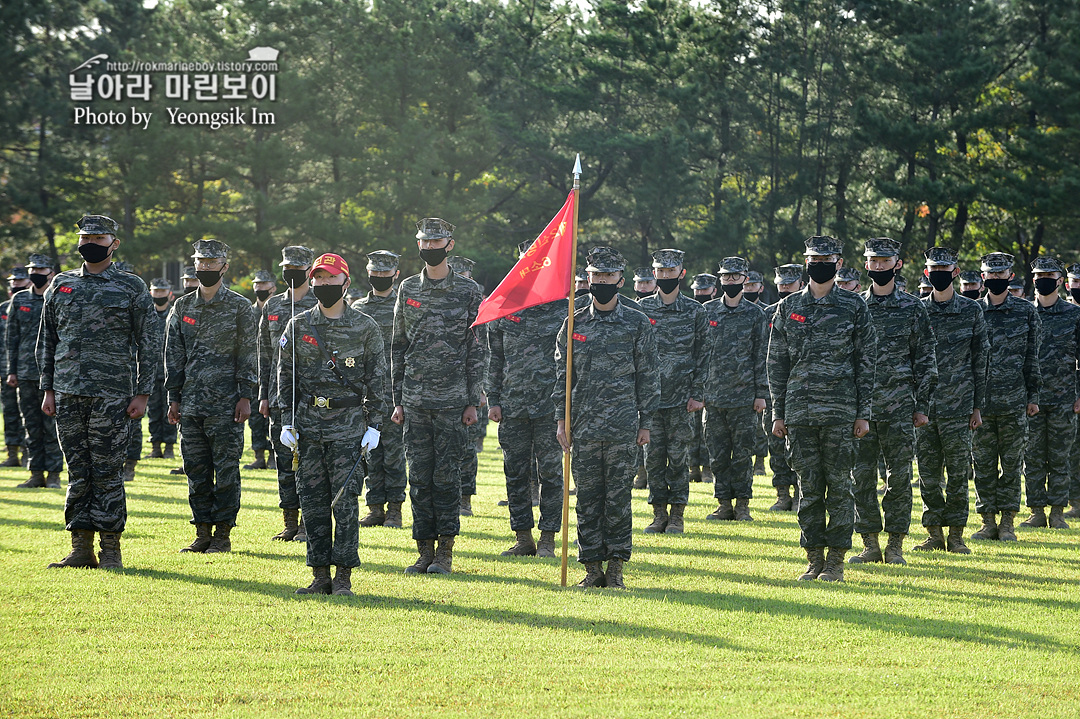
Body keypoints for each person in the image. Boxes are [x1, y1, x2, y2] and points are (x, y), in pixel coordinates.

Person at [39, 214, 159, 570]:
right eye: (85, 236)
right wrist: (47, 388)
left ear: (114, 243)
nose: (90, 241)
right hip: (67, 393)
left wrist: (143, 393)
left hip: (113, 395)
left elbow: (149, 343)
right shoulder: (60, 285)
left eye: (98, 236)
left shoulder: (130, 286)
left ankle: (110, 550)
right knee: (78, 471)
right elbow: (47, 342)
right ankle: (80, 548)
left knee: (107, 472)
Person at [278, 253, 388, 595]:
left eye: (331, 278)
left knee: (345, 504)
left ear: (346, 282)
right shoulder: (298, 325)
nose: (324, 284)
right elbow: (285, 376)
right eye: (319, 279)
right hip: (309, 429)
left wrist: (375, 425)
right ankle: (319, 575)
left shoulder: (365, 327)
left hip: (349, 428)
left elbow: (379, 380)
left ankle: (343, 577)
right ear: (311, 282)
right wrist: (287, 420)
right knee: (312, 503)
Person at [768, 236, 876, 582]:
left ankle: (836, 562)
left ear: (839, 263)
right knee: (809, 489)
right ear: (805, 262)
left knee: (840, 487)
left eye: (826, 258)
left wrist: (863, 412)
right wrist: (778, 412)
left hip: (841, 412)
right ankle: (814, 559)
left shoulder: (854, 306)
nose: (819, 263)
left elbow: (866, 362)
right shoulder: (788, 307)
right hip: (799, 413)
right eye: (814, 258)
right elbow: (777, 363)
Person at [554, 246, 659, 588]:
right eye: (596, 276)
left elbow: (648, 375)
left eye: (608, 276)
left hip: (622, 426)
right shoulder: (574, 321)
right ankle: (591, 569)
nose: (601, 281)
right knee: (587, 500)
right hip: (582, 427)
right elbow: (562, 376)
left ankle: (615, 568)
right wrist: (560, 421)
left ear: (620, 281)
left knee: (617, 499)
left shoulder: (636, 322)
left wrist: (645, 423)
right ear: (587, 278)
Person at [392, 217, 484, 575]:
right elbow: (399, 345)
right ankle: (423, 550)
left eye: (436, 242)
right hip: (415, 400)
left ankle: (445, 552)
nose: (429, 248)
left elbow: (477, 349)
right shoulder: (406, 289)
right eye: (424, 242)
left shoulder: (467, 291)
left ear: (450, 246)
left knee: (447, 477)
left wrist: (472, 400)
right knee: (418, 477)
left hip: (452, 401)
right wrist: (398, 399)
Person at [165, 239, 258, 555]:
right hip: (190, 404)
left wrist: (246, 396)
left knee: (227, 471)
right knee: (196, 471)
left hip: (226, 405)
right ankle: (201, 531)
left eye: (211, 262)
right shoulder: (183, 306)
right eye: (200, 262)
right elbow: (175, 355)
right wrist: (173, 397)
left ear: (224, 266)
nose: (204, 267)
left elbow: (248, 354)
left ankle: (222, 534)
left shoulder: (239, 306)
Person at [849, 238, 937, 566]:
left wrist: (922, 405)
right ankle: (869, 543)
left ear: (897, 264)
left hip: (900, 408)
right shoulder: (856, 306)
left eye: (885, 261)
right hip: (862, 411)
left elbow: (926, 359)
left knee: (899, 479)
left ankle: (895, 544)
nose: (880, 266)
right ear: (867, 265)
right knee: (861, 477)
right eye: (874, 261)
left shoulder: (914, 307)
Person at [486, 238, 566, 555]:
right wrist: (493, 398)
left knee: (551, 474)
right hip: (513, 403)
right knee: (515, 472)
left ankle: (547, 538)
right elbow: (495, 358)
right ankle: (523, 538)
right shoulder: (505, 305)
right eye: (525, 262)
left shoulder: (565, 308)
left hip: (551, 405)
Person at [915, 247, 988, 553]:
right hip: (926, 409)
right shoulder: (918, 310)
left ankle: (956, 535)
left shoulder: (972, 311)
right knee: (928, 475)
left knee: (958, 475)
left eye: (946, 269)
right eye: (934, 269)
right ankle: (934, 534)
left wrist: (977, 406)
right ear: (926, 274)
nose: (940, 274)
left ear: (956, 273)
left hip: (959, 408)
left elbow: (980, 360)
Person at [969, 252, 1041, 544]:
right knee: (983, 466)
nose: (996, 279)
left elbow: (1032, 358)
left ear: (1011, 277)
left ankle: (1008, 522)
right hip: (981, 406)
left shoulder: (1026, 312)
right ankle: (988, 522)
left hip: (1014, 402)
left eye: (1001, 275)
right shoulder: (972, 311)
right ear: (983, 277)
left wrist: (1033, 395)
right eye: (991, 275)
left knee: (1011, 466)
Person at [637, 249, 707, 534]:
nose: (665, 276)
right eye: (660, 271)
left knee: (678, 458)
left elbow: (704, 355)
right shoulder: (641, 310)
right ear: (654, 274)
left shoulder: (695, 311)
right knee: (652, 458)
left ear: (682, 273)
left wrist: (698, 393)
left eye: (671, 271)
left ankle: (677, 514)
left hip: (681, 400)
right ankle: (658, 513)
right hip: (650, 401)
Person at [258, 246, 318, 541]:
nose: (291, 272)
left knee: (310, 463)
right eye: (287, 266)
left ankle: (309, 523)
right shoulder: (272, 306)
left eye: (297, 267)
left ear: (309, 270)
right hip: (279, 395)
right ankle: (290, 521)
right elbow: (264, 354)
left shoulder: (321, 303)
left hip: (311, 397)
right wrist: (263, 394)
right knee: (284, 460)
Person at [702, 257, 768, 523]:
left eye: (735, 277)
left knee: (742, 454)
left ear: (744, 279)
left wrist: (761, 393)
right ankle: (723, 504)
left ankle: (742, 505)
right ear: (720, 279)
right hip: (713, 396)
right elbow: (699, 354)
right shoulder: (706, 312)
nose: (730, 281)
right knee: (717, 455)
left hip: (744, 397)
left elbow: (761, 355)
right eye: (726, 277)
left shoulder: (755, 314)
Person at [1021, 257, 1080, 531]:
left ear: (1060, 281)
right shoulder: (1023, 312)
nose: (1043, 279)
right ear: (1033, 280)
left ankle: (1057, 512)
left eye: (1049, 275)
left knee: (1060, 457)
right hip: (1030, 399)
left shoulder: (1074, 314)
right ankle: (1036, 512)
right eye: (1038, 275)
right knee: (1032, 457)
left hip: (1064, 398)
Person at [350, 250, 408, 528]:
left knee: (395, 452)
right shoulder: (358, 307)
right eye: (375, 273)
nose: (379, 277)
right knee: (370, 451)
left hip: (397, 391)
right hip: (367, 392)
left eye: (385, 273)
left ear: (395, 274)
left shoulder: (405, 305)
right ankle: (374, 507)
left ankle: (395, 508)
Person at [6, 254, 64, 488]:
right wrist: (12, 371)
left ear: (50, 272)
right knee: (31, 426)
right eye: (33, 269)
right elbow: (12, 339)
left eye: (41, 268)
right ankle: (36, 473)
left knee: (52, 427)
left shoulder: (58, 298)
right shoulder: (19, 300)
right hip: (26, 374)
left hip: (52, 375)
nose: (36, 272)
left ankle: (54, 475)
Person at [447, 254, 486, 516]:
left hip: (469, 386)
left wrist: (481, 388)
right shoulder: (439, 302)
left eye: (466, 277)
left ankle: (465, 499)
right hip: (440, 387)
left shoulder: (478, 305)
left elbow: (484, 350)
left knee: (468, 447)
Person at [764, 264, 804, 511]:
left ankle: (801, 492)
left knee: (800, 446)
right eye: (781, 283)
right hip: (774, 391)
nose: (785, 287)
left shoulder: (806, 309)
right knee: (776, 446)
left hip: (801, 391)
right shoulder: (767, 313)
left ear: (800, 283)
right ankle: (782, 494)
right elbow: (763, 354)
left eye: (790, 283)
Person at [244, 270, 277, 471]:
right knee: (256, 418)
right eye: (257, 284)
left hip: (275, 372)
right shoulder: (249, 311)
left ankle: (274, 455)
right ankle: (259, 456)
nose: (259, 288)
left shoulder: (279, 309)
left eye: (264, 285)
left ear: (273, 288)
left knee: (274, 416)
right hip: (252, 372)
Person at [145, 278, 177, 460]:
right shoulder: (147, 314)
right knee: (154, 410)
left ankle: (170, 447)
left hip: (169, 372)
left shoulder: (174, 314)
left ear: (169, 293)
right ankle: (155, 446)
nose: (159, 295)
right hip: (150, 372)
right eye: (156, 291)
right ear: (151, 293)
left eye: (162, 291)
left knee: (170, 409)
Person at [2, 267, 30, 468]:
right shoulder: (2, 309)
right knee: (10, 413)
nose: (16, 284)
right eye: (13, 281)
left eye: (20, 281)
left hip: (29, 370)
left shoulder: (38, 303)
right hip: (5, 370)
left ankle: (30, 455)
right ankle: (12, 453)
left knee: (29, 415)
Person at [743, 269, 769, 476]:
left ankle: (760, 461)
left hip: (761, 377)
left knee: (761, 425)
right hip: (739, 381)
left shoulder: (766, 312)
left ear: (760, 288)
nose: (748, 289)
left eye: (752, 286)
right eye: (746, 285)